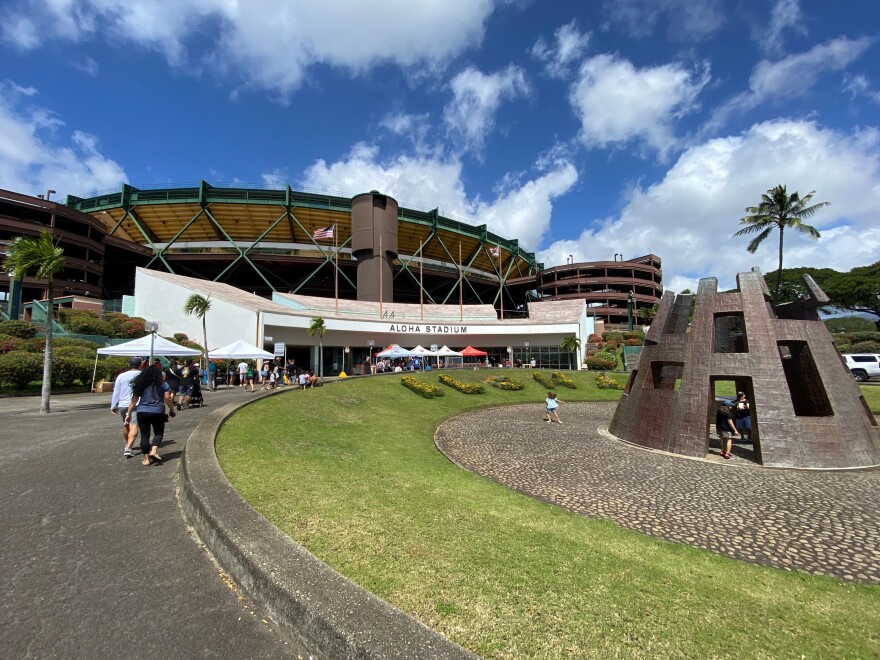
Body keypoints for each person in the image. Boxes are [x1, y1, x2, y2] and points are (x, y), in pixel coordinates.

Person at [125, 365, 176, 466]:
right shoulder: (163, 384)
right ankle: (153, 450)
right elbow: (167, 398)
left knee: (145, 436)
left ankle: (146, 459)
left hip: (142, 412)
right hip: (158, 412)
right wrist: (172, 409)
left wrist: (128, 413)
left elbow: (134, 400)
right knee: (158, 433)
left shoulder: (141, 384)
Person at [111, 356, 145, 457]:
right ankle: (128, 447)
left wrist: (113, 405)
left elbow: (116, 391)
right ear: (140, 365)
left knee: (126, 424)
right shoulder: (142, 374)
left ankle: (128, 443)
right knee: (134, 425)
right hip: (136, 403)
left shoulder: (121, 376)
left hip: (123, 404)